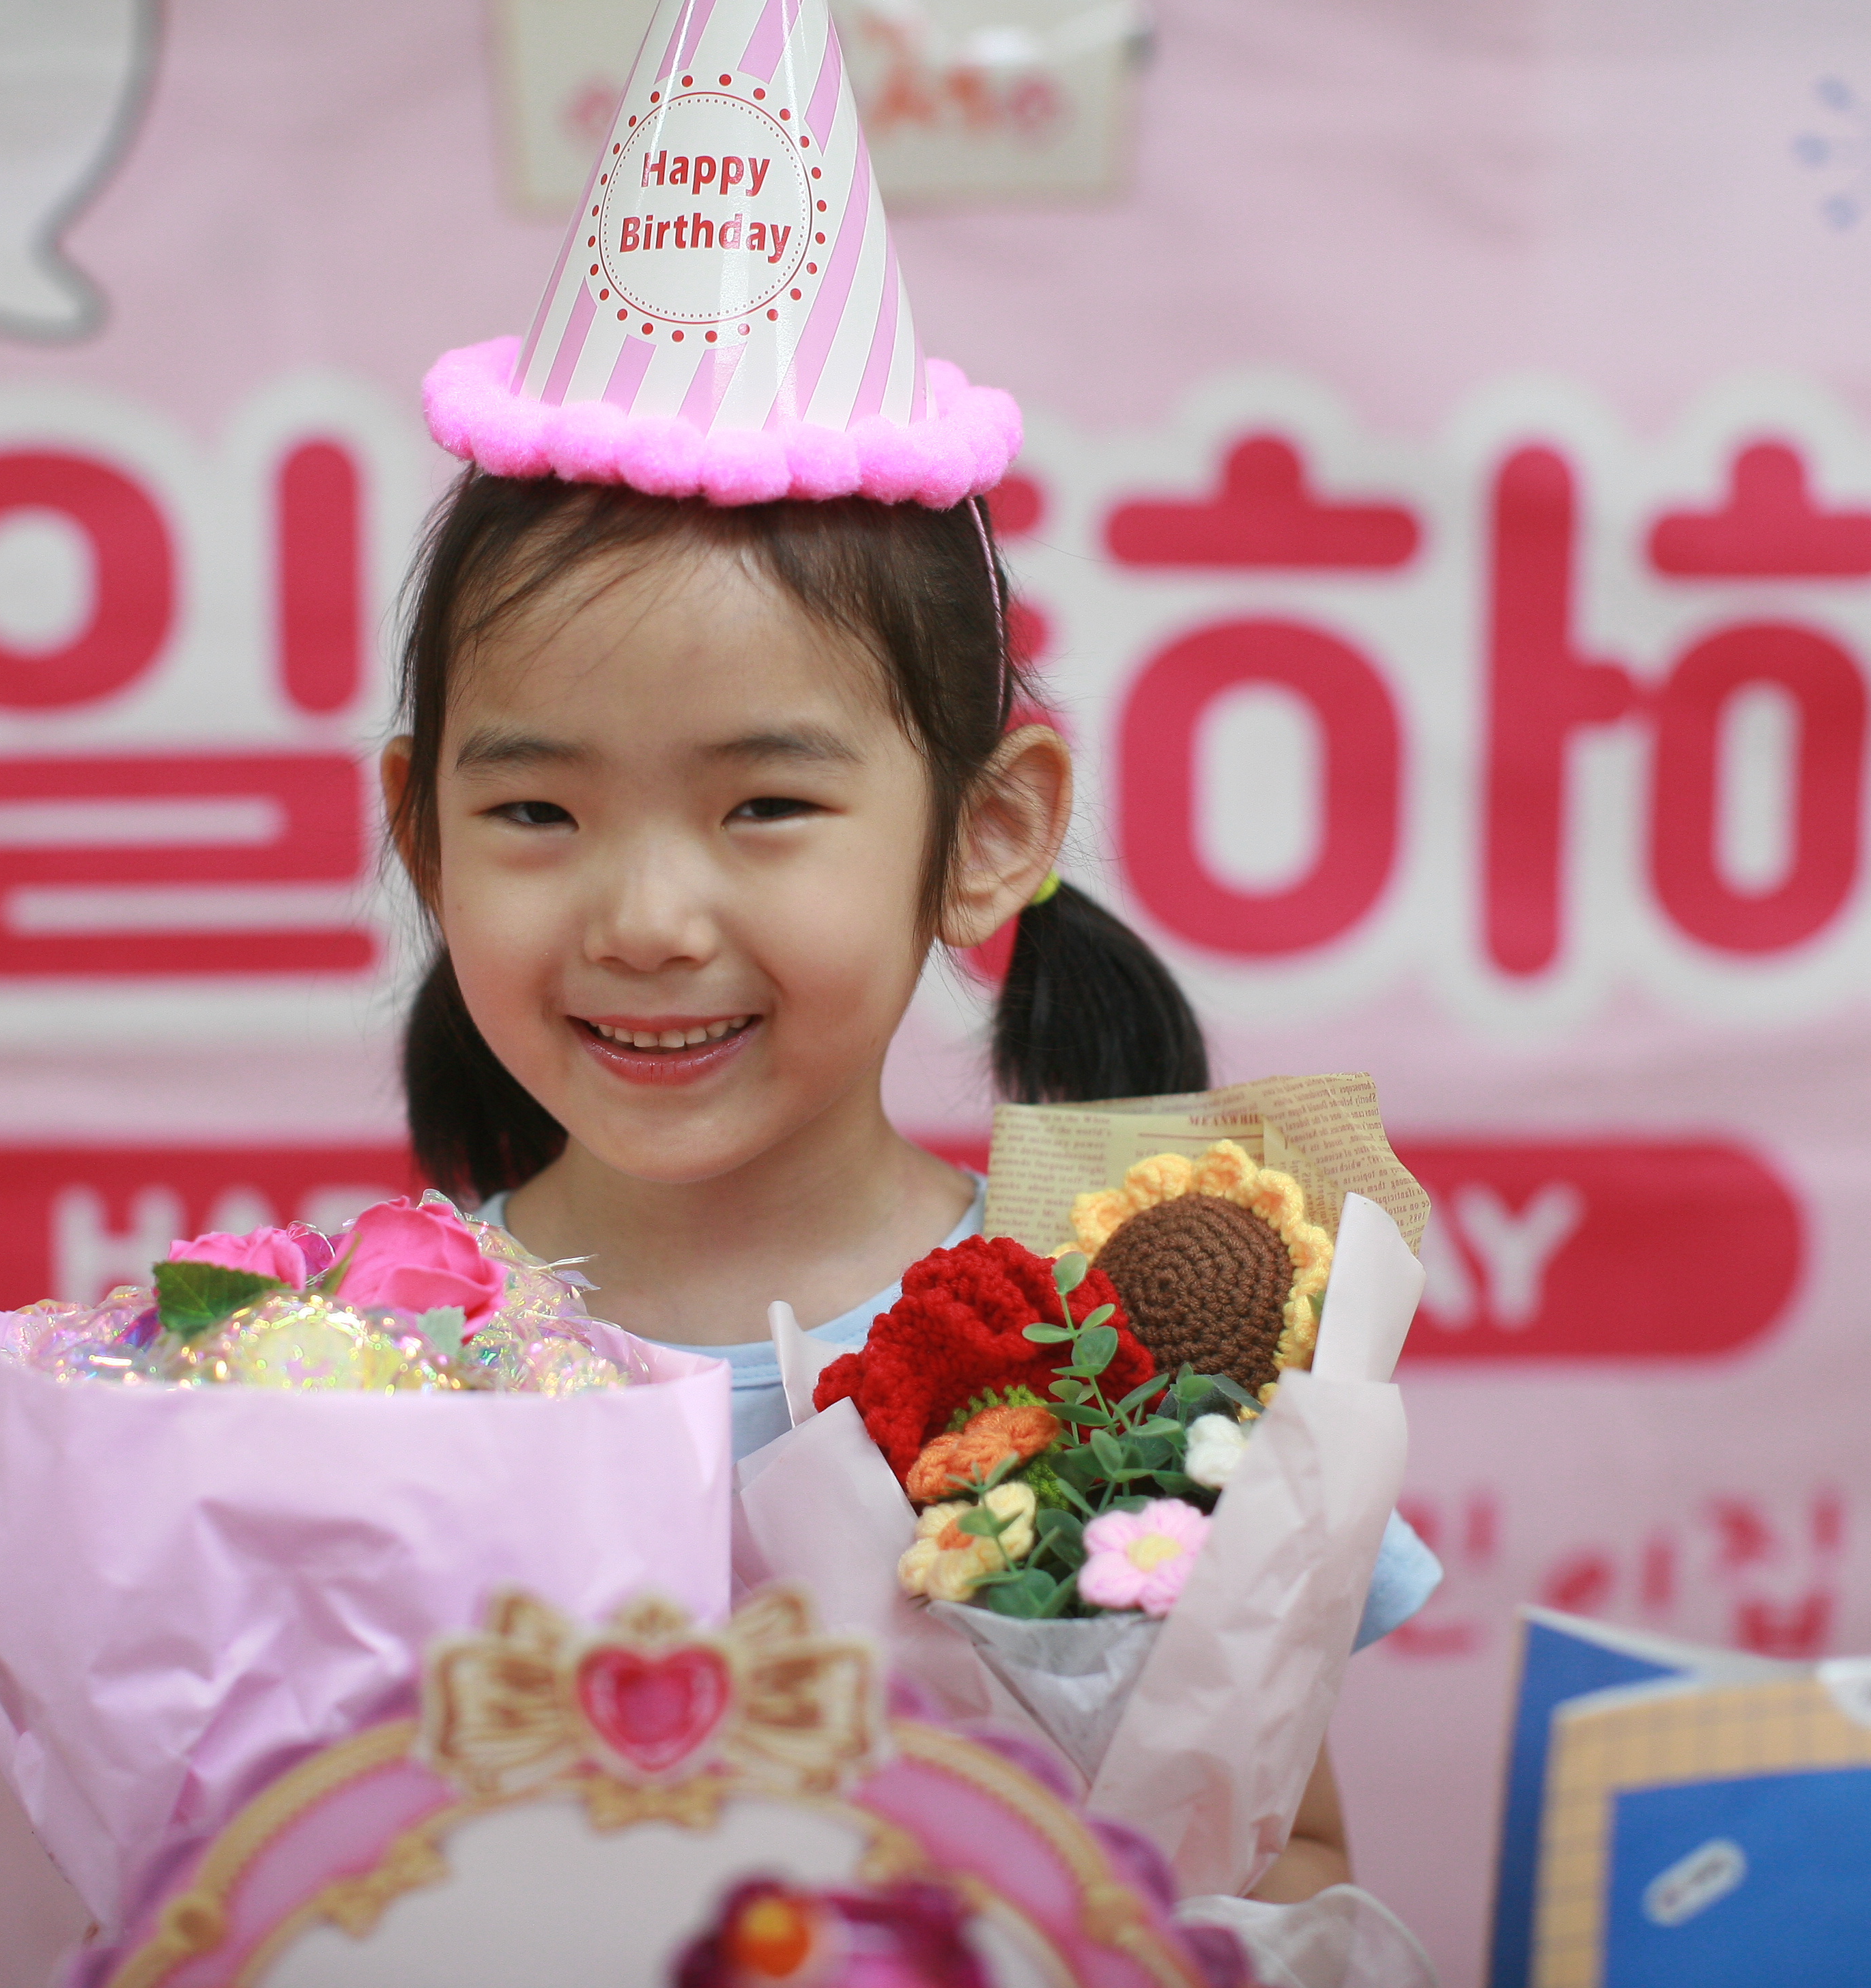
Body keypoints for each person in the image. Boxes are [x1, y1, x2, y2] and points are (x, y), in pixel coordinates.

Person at [375, 469, 1429, 1902]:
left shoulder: (1122, 1342)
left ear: (987, 835)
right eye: (535, 809)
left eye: (765, 803)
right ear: (426, 836)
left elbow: (1286, 1852)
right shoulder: (352, 1371)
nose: (646, 921)